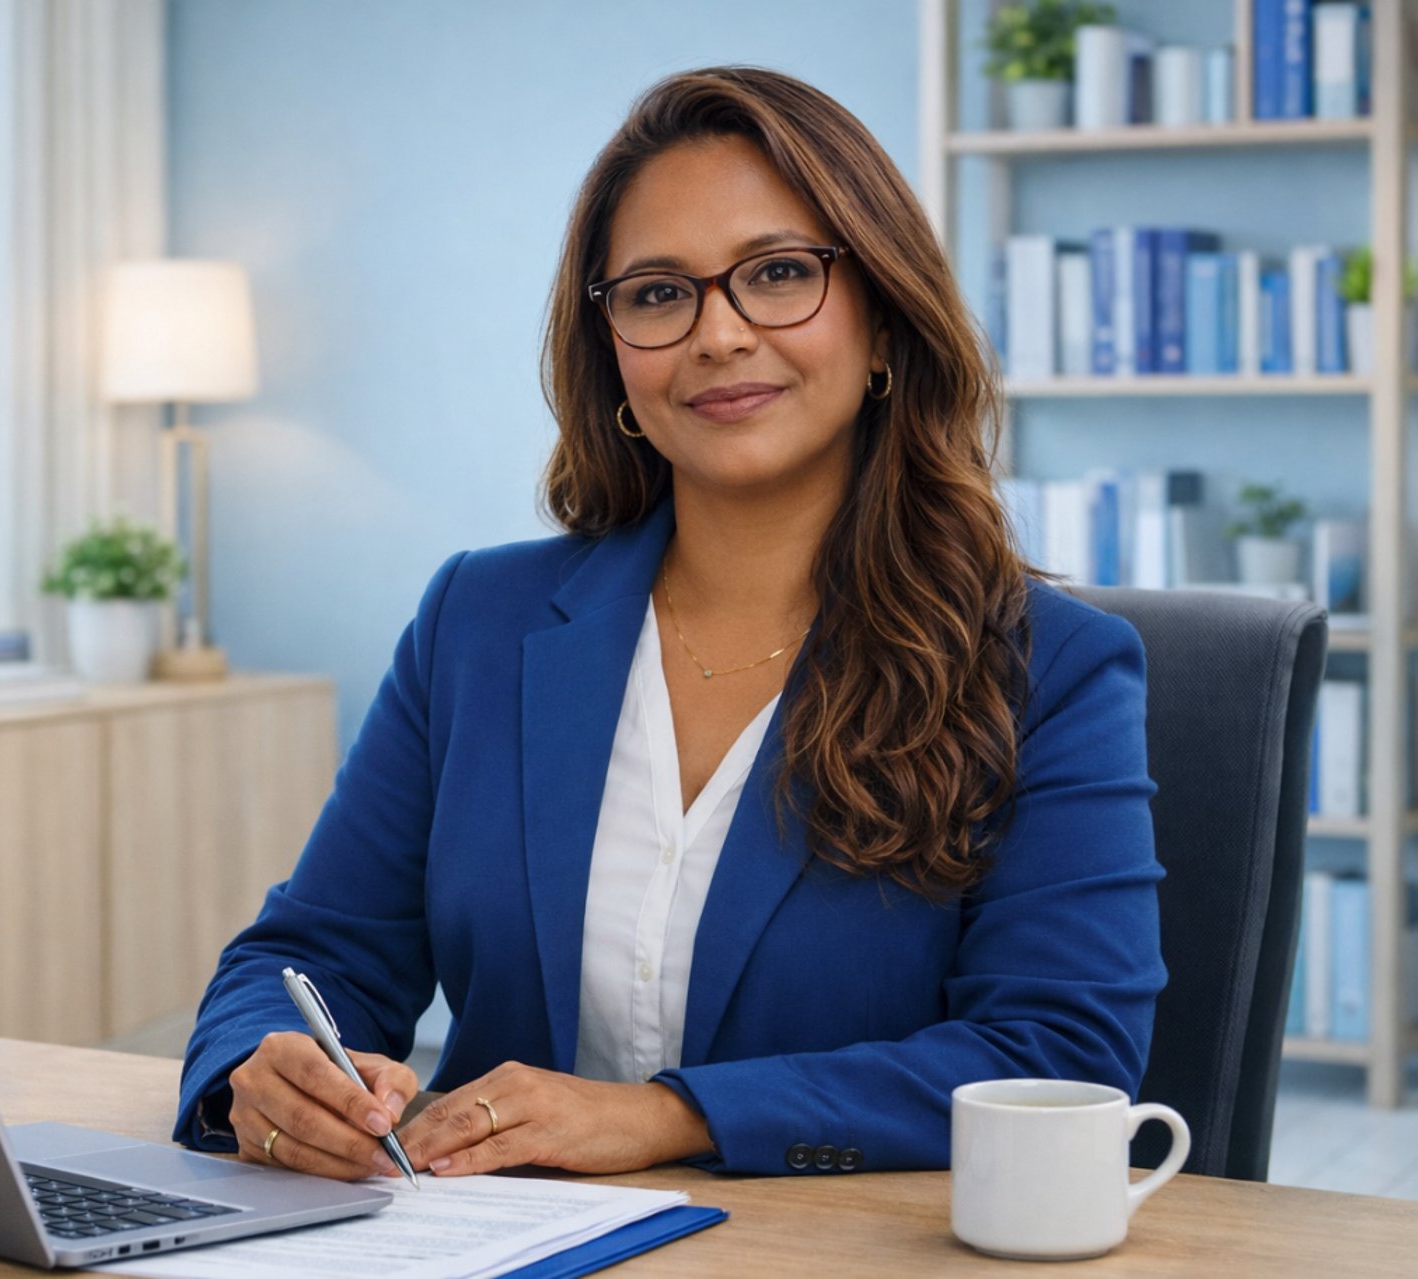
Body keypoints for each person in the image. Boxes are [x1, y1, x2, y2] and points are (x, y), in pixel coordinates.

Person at [172, 65, 1164, 1180]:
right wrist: (264, 1072)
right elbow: (314, 952)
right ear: (612, 358)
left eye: (781, 273)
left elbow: (1057, 1054)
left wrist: (667, 1116)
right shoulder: (479, 622)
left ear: (885, 322)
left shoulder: (1051, 668)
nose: (721, 333)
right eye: (657, 293)